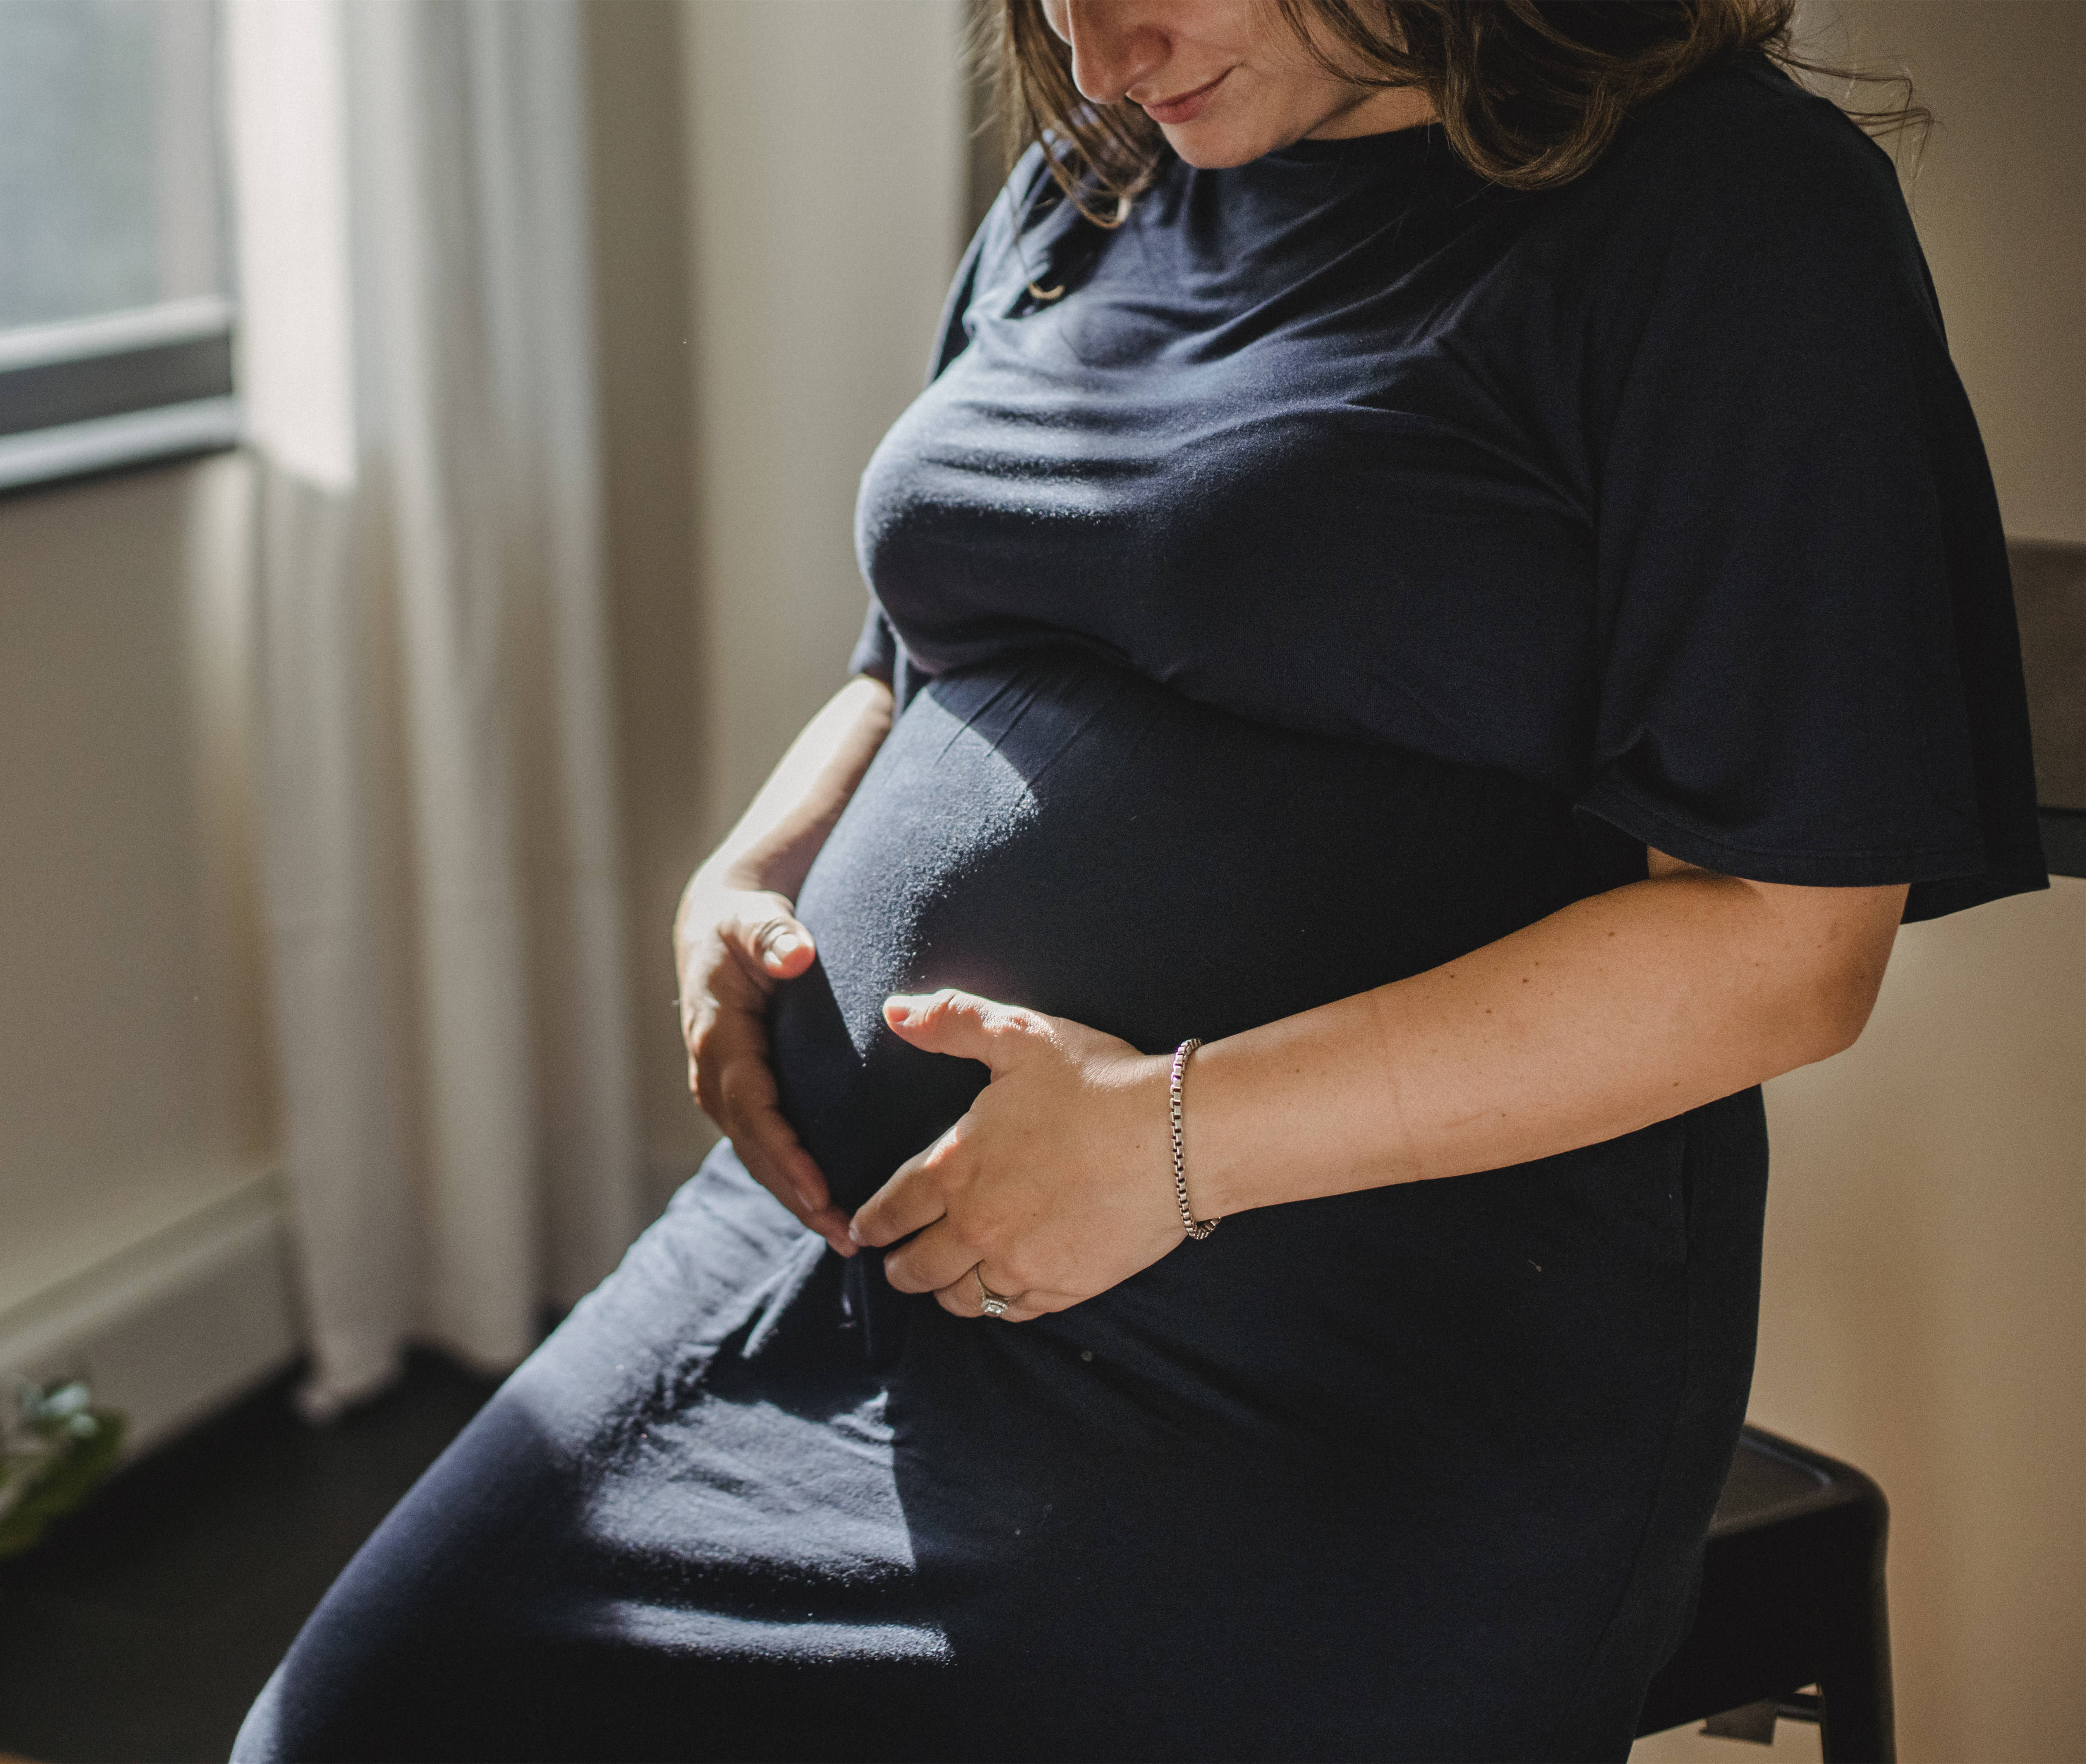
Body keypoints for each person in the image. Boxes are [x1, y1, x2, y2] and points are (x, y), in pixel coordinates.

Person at [235, 0, 2045, 1757]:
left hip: (1338, 1356)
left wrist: (1164, 1138)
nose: (1095, 54)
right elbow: (917, 656)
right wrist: (753, 865)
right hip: (833, 1272)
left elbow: (1787, 944)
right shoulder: (1094, 179)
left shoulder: (1724, 207)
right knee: (358, 1723)